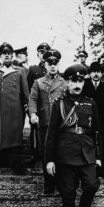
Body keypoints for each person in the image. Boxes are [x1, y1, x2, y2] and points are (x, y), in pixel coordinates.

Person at [45, 63, 102, 207]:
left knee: (92, 185)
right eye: (74, 81)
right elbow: (51, 134)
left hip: (87, 153)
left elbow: (97, 131)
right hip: (65, 155)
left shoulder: (90, 103)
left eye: (80, 80)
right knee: (68, 195)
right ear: (67, 82)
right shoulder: (59, 104)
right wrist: (50, 160)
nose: (77, 84)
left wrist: (99, 155)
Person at [0, 42, 29, 170]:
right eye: (4, 54)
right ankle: (1, 158)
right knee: (0, 131)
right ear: (0, 56)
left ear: (12, 55)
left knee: (15, 133)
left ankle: (15, 161)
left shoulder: (20, 71)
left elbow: (26, 91)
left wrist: (27, 105)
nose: (7, 56)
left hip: (16, 107)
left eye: (9, 53)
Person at [29, 49, 66, 195]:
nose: (52, 66)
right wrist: (33, 114)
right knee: (46, 154)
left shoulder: (64, 82)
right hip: (45, 123)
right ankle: (49, 186)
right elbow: (32, 99)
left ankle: (60, 185)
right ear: (45, 64)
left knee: (60, 153)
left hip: (61, 124)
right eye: (50, 63)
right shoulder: (38, 82)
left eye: (55, 63)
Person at [82, 61, 104, 176]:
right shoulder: (85, 84)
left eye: (98, 72)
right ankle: (89, 168)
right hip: (88, 118)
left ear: (102, 73)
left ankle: (102, 168)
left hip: (103, 119)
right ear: (90, 73)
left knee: (103, 142)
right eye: (93, 72)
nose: (96, 74)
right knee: (89, 142)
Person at [27, 42, 50, 161]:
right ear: (38, 55)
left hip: (49, 105)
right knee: (35, 129)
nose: (43, 54)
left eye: (46, 52)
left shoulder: (52, 68)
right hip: (36, 105)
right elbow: (27, 87)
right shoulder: (33, 69)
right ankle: (34, 153)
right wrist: (29, 107)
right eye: (41, 52)